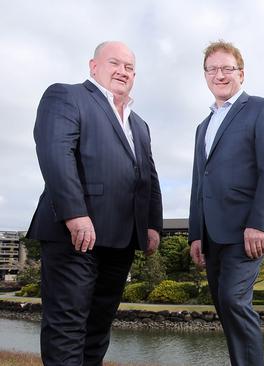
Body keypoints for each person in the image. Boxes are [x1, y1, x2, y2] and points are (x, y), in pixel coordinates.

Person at [27, 41, 163, 366]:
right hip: (74, 235)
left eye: (130, 68)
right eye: (115, 63)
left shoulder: (139, 123)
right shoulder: (66, 96)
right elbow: (55, 152)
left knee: (99, 327)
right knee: (67, 326)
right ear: (93, 66)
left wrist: (152, 225)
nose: (123, 71)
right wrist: (75, 213)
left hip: (121, 239)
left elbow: (149, 176)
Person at [188, 40, 264, 366]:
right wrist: (195, 234)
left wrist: (260, 223)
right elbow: (198, 184)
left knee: (232, 299)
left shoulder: (263, 108)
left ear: (241, 74)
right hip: (212, 235)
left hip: (246, 230)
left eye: (227, 68)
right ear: (205, 75)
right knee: (224, 306)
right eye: (212, 69)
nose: (219, 74)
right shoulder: (203, 126)